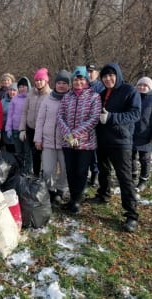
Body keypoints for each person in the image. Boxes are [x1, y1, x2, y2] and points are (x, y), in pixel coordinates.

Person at [86, 63, 141, 232]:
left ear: (117, 75)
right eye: (104, 76)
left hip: (120, 141)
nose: (108, 79)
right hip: (102, 139)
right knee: (104, 170)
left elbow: (135, 114)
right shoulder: (102, 93)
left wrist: (112, 117)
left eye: (111, 75)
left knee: (124, 177)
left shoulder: (129, 91)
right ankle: (104, 195)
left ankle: (131, 214)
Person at [57, 67, 101, 214]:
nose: (78, 82)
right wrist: (69, 135)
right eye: (76, 79)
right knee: (70, 171)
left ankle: (76, 200)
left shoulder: (94, 97)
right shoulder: (66, 97)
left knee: (81, 172)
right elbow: (60, 117)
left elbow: (94, 119)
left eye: (81, 79)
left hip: (85, 143)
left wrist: (75, 134)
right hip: (67, 142)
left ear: (86, 81)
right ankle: (72, 199)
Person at [34, 70, 71, 204]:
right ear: (55, 84)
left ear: (69, 85)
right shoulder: (48, 99)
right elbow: (40, 120)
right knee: (48, 170)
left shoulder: (71, 99)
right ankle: (51, 190)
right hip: (48, 141)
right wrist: (38, 138)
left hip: (65, 143)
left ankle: (61, 190)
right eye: (59, 83)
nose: (61, 85)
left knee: (66, 170)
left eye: (64, 83)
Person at [132, 76, 152, 193]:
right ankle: (133, 175)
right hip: (132, 134)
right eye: (140, 85)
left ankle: (143, 180)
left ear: (150, 87)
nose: (142, 87)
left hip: (147, 137)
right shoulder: (133, 97)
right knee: (130, 157)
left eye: (145, 85)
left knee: (144, 159)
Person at [19, 67, 51, 177]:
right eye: (36, 80)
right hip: (30, 128)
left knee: (44, 155)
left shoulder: (50, 95)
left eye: (40, 80)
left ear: (46, 81)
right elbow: (24, 112)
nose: (38, 82)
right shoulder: (30, 94)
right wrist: (22, 129)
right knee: (34, 154)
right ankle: (36, 176)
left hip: (44, 131)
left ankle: (46, 177)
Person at [5, 77, 33, 174]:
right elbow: (10, 115)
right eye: (20, 87)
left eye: (24, 86)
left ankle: (28, 171)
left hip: (26, 130)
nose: (22, 88)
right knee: (18, 153)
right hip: (15, 130)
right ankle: (20, 171)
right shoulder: (14, 100)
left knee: (27, 152)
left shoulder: (30, 98)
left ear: (28, 87)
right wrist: (8, 128)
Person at [86, 64, 105, 186]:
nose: (89, 74)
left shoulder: (101, 88)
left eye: (91, 72)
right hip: (83, 124)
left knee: (95, 153)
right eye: (87, 72)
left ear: (97, 74)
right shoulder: (83, 85)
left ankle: (95, 174)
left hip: (98, 125)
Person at [1, 82, 18, 152]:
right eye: (10, 90)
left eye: (14, 90)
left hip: (16, 131)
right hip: (4, 131)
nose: (12, 92)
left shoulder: (21, 101)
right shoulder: (3, 101)